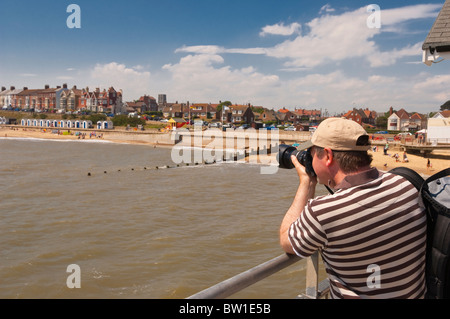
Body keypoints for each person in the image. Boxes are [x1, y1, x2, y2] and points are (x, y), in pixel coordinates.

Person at [279, 118, 427, 299]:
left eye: (311, 153)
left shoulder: (324, 212)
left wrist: (306, 182)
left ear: (327, 155)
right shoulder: (406, 185)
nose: (309, 159)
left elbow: (287, 240)